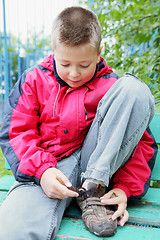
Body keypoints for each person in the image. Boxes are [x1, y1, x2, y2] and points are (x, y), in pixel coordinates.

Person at [0, 6, 157, 239]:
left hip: (99, 173)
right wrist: (42, 172)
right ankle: (72, 194)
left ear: (99, 52)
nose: (74, 74)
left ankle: (91, 192)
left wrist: (124, 188)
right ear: (53, 49)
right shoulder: (33, 80)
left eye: (84, 65)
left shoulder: (112, 88)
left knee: (134, 89)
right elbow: (17, 132)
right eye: (65, 64)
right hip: (51, 168)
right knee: (12, 231)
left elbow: (141, 143)